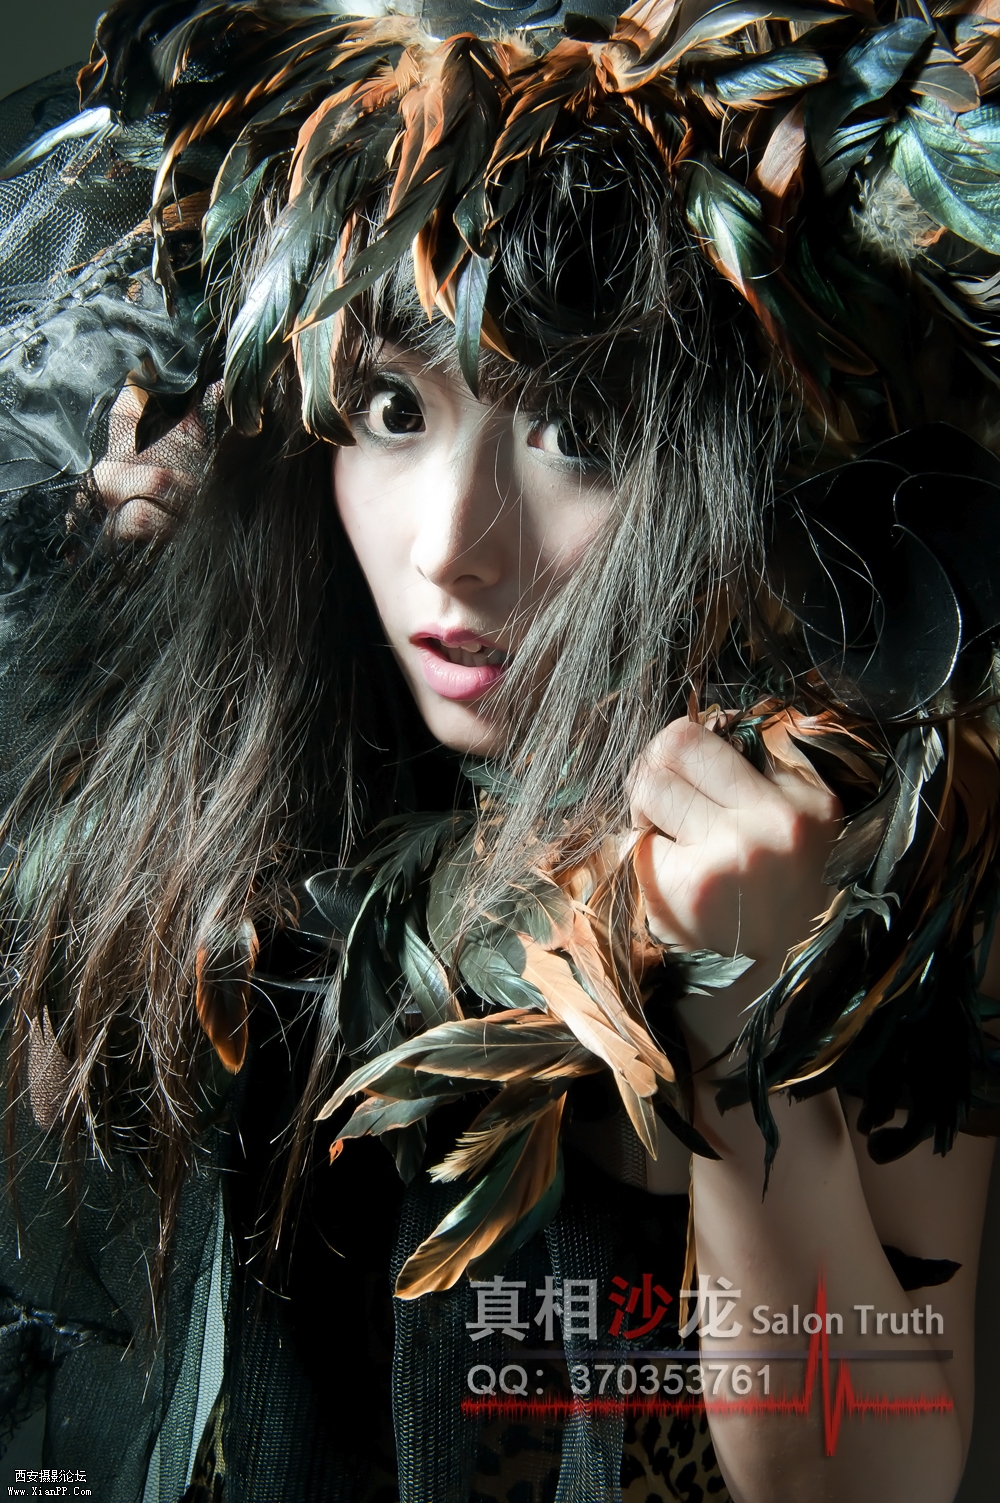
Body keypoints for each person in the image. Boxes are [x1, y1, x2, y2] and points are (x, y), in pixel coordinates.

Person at [0, 2, 999, 1501]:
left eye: (578, 430)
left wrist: (747, 1046)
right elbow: (70, 1204)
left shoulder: (878, 825)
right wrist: (121, 704)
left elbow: (874, 1480)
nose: (449, 551)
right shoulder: (265, 741)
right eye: (392, 409)